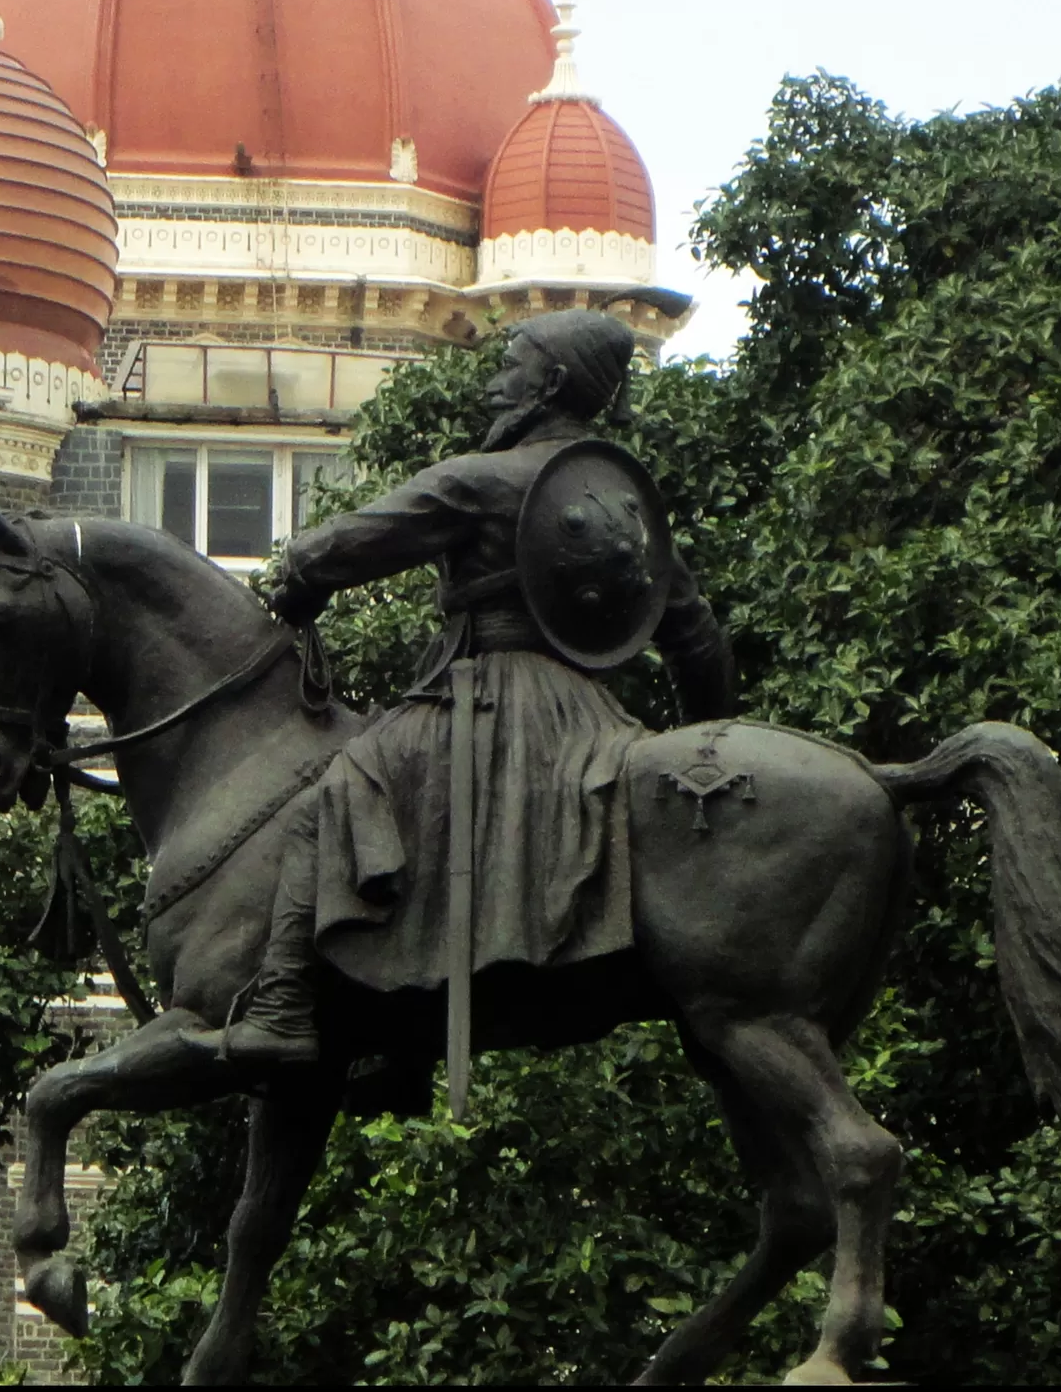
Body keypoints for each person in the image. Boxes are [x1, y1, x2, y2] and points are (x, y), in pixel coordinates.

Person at [220, 309, 736, 1079]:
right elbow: (697, 640)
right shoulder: (625, 503)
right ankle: (395, 1040)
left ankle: (283, 1008)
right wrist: (709, 750)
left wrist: (299, 572)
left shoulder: (481, 479)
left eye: (512, 363)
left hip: (486, 696)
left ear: (552, 382)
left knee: (340, 791)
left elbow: (358, 538)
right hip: (592, 716)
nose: (497, 382)